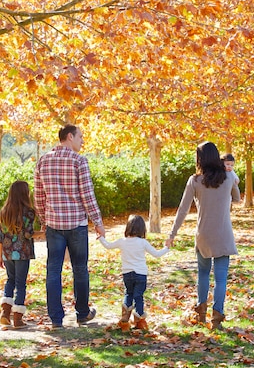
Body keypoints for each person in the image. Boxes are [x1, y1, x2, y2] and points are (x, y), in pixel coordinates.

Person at [34, 124, 106, 329]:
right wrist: (98, 222)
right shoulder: (79, 161)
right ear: (69, 137)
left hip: (54, 225)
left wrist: (44, 219)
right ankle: (82, 313)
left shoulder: (43, 160)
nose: (82, 140)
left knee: (53, 270)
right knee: (80, 269)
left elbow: (39, 195)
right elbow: (87, 195)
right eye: (80, 136)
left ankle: (56, 318)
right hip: (77, 224)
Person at [166, 142, 240, 330]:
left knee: (203, 274)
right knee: (221, 278)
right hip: (224, 234)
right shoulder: (229, 177)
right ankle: (217, 317)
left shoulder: (195, 180)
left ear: (200, 158)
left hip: (203, 235)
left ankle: (201, 314)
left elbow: (183, 210)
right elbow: (237, 198)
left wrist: (172, 234)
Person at [97, 215, 169, 331]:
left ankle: (125, 318)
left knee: (128, 294)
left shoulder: (122, 241)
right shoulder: (142, 242)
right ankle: (139, 321)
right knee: (138, 297)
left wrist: (101, 237)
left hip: (127, 274)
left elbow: (108, 246)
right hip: (140, 274)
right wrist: (167, 247)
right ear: (142, 229)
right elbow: (156, 254)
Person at [0, 180, 42, 330]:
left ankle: (5, 313)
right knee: (21, 283)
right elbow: (28, 234)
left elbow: (0, 237)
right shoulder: (28, 211)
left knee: (10, 280)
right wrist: (44, 232)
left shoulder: (4, 212)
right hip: (22, 252)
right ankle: (17, 318)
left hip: (7, 253)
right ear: (24, 193)